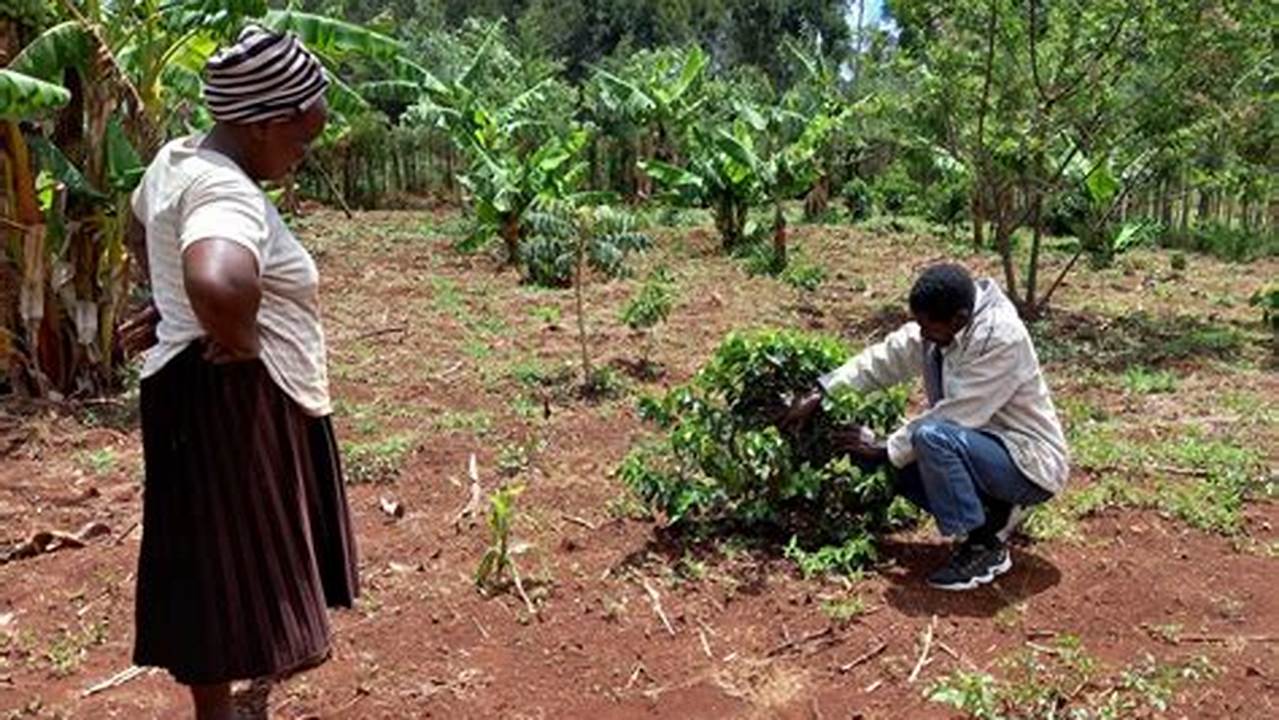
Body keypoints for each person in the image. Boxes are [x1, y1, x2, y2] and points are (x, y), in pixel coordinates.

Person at [126, 27, 358, 719]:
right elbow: (220, 278)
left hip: (186, 389)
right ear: (260, 124)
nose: (304, 151)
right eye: (300, 138)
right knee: (231, 558)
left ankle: (215, 710)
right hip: (232, 393)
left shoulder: (177, 160)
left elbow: (138, 225)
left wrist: (160, 295)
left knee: (207, 560)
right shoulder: (225, 192)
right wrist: (242, 336)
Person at [782, 263, 1068, 591]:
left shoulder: (1000, 337)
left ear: (959, 319)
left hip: (1027, 462)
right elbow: (884, 360)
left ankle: (982, 546)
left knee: (926, 438)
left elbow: (958, 415)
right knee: (869, 444)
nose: (921, 334)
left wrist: (884, 446)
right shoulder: (942, 326)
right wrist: (823, 390)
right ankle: (996, 512)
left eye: (927, 325)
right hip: (980, 447)